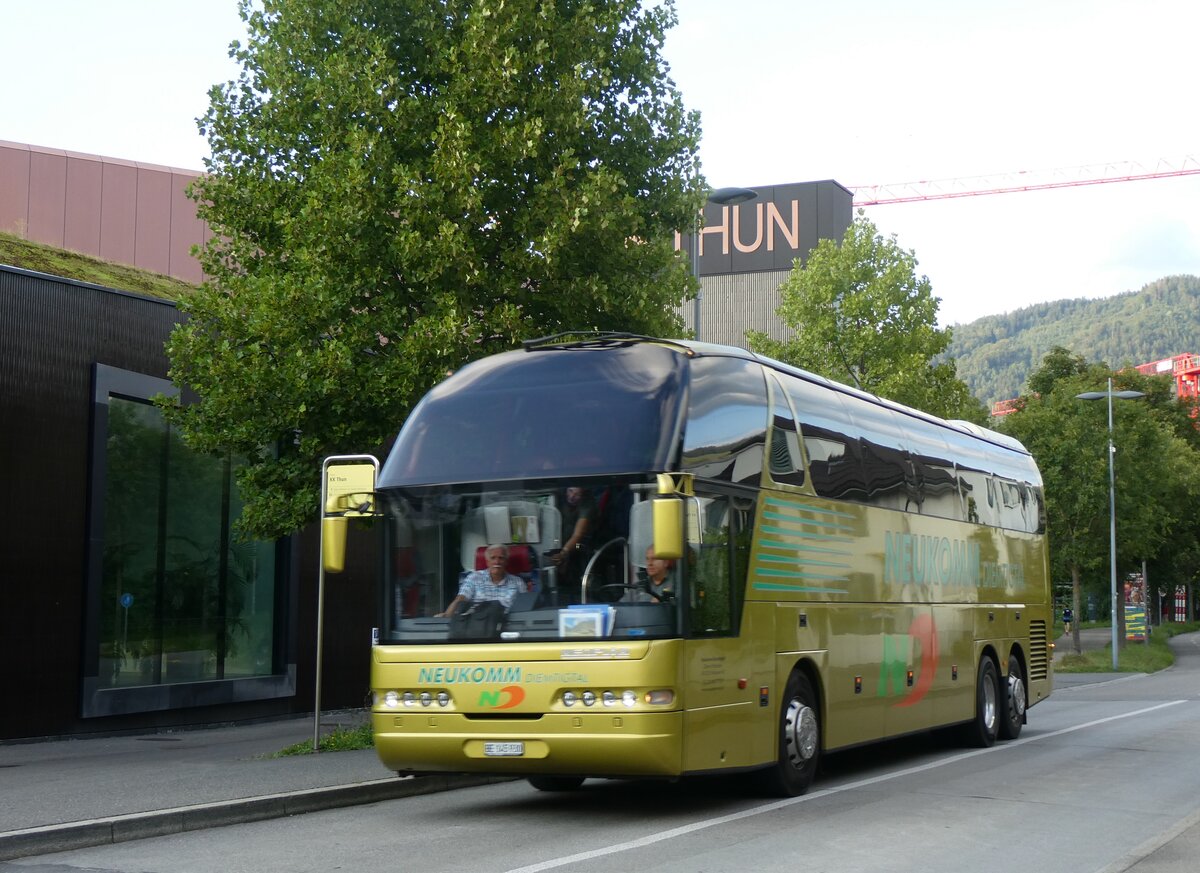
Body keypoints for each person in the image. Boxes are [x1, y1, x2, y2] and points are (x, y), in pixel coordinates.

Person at [437, 543, 526, 617]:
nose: (497, 562)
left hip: (508, 626)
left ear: (506, 561)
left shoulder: (518, 582)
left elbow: (526, 608)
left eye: (501, 558)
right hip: (478, 626)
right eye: (493, 558)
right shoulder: (474, 578)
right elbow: (461, 599)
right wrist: (447, 616)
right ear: (487, 562)